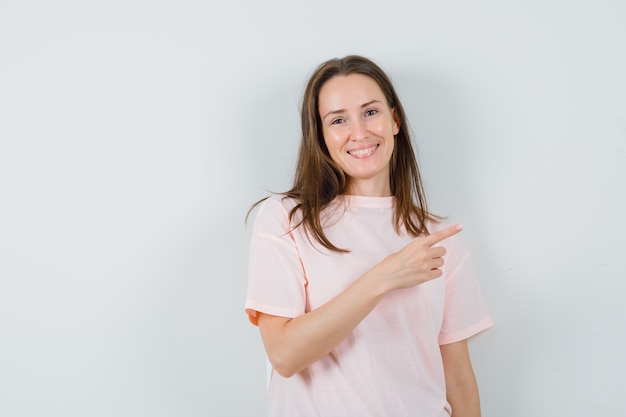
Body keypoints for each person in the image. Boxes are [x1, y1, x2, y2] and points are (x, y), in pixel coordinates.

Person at [245, 55, 493, 417]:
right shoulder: (286, 218)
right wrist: (384, 276)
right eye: (339, 120)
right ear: (321, 135)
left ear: (394, 120)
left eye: (371, 112)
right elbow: (285, 355)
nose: (359, 132)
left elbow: (457, 377)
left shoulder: (438, 238)